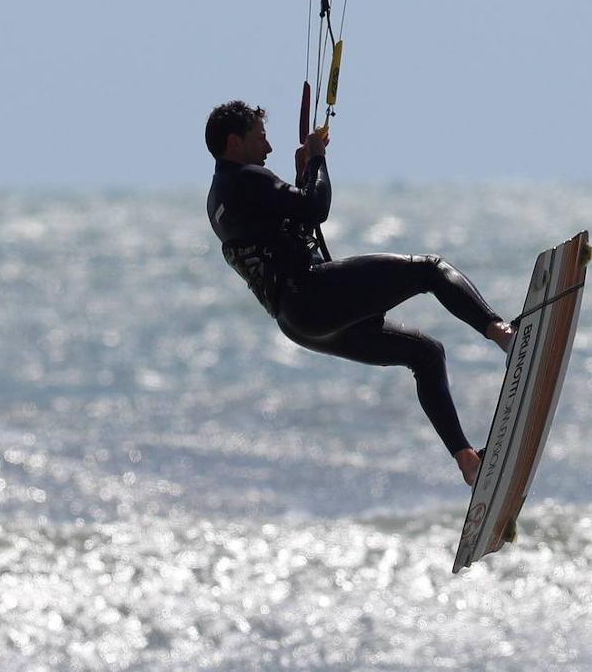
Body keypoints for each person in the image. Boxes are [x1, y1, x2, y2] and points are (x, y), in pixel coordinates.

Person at [204, 101, 514, 487]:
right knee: (430, 270)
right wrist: (318, 160)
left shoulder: (219, 196)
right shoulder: (248, 178)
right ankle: (504, 335)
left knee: (426, 354)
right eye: (260, 139)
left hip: (299, 323)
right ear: (234, 143)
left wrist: (304, 173)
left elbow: (285, 224)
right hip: (312, 295)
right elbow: (315, 208)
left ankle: (467, 459)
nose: (268, 150)